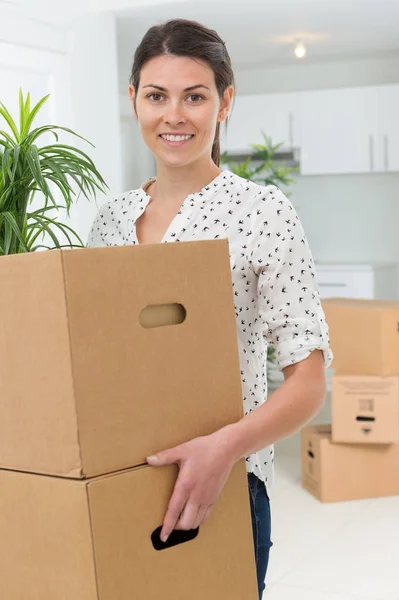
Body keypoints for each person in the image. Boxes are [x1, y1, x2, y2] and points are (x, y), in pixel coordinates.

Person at [87, 18, 333, 599]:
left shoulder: (262, 212)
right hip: (119, 482)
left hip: (226, 486)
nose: (174, 115)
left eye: (194, 96)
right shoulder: (108, 221)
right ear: (133, 101)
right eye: (156, 96)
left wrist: (223, 448)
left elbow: (309, 382)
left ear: (225, 102)